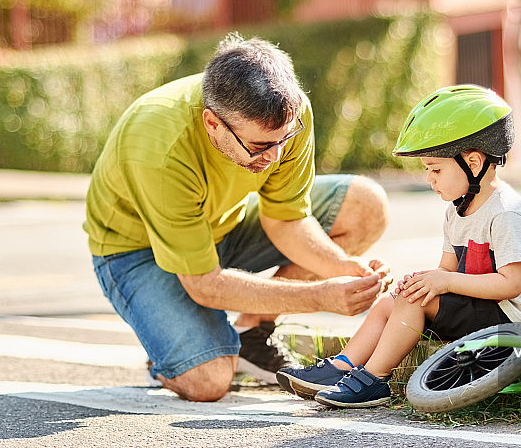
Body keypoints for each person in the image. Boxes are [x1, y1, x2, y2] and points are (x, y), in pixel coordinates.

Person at [84, 32, 391, 402]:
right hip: (136, 252)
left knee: (365, 204)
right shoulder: (159, 147)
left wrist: (342, 268)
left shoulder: (287, 115)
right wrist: (320, 297)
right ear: (213, 123)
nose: (276, 156)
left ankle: (251, 334)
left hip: (223, 225)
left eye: (284, 140)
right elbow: (205, 284)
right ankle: (173, 350)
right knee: (207, 381)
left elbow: (286, 220)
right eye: (261, 146)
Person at [277, 85, 521, 408]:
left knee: (413, 302)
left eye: (435, 170)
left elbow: (511, 284)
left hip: (504, 319)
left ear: (474, 163)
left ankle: (374, 380)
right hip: (477, 306)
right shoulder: (458, 209)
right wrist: (426, 279)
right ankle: (342, 368)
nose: (429, 179)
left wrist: (442, 283)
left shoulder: (505, 214)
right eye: (427, 171)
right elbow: (447, 270)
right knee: (390, 302)